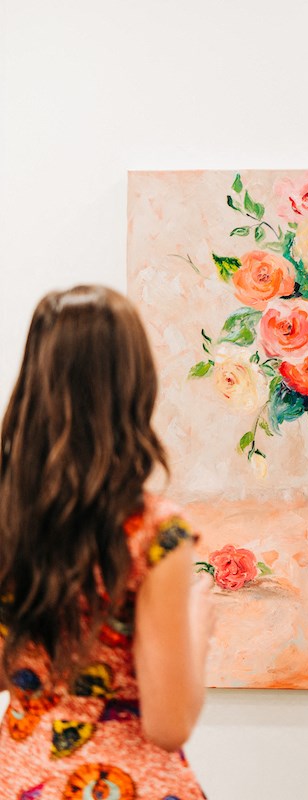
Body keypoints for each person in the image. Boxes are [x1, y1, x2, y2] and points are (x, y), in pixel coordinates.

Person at [0, 285, 214, 799]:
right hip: (127, 782)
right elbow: (169, 725)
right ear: (135, 385)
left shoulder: (8, 517)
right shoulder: (158, 534)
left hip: (20, 777)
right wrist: (197, 625)